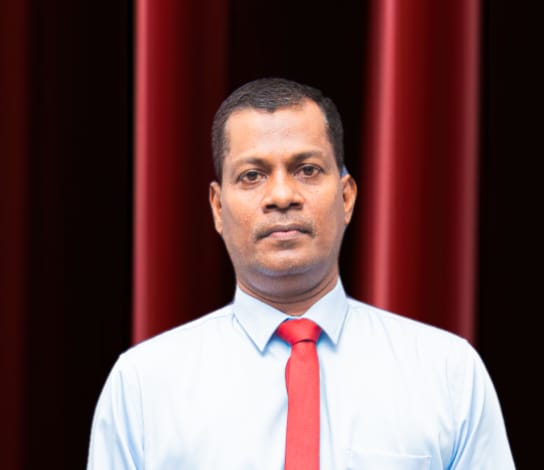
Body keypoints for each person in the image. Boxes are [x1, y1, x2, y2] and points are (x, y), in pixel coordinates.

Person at [86, 77, 515, 469]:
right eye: (252, 175)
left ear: (346, 197)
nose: (281, 195)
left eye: (307, 170)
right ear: (217, 207)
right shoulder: (143, 385)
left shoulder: (447, 372)